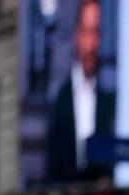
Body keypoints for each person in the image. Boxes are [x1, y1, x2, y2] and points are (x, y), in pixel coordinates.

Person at [44, 0, 115, 183]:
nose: (91, 44)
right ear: (77, 35)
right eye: (87, 32)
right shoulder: (60, 99)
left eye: (96, 32)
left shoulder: (107, 100)